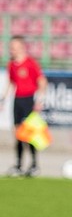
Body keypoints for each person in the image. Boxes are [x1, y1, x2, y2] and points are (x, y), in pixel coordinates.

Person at [2, 35, 46, 177]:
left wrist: (39, 100)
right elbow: (11, 83)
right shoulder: (11, 65)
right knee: (18, 134)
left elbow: (42, 82)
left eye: (13, 47)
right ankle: (19, 165)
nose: (11, 50)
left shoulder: (30, 63)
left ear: (21, 47)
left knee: (30, 134)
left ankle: (34, 165)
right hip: (17, 100)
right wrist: (3, 99)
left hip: (29, 100)